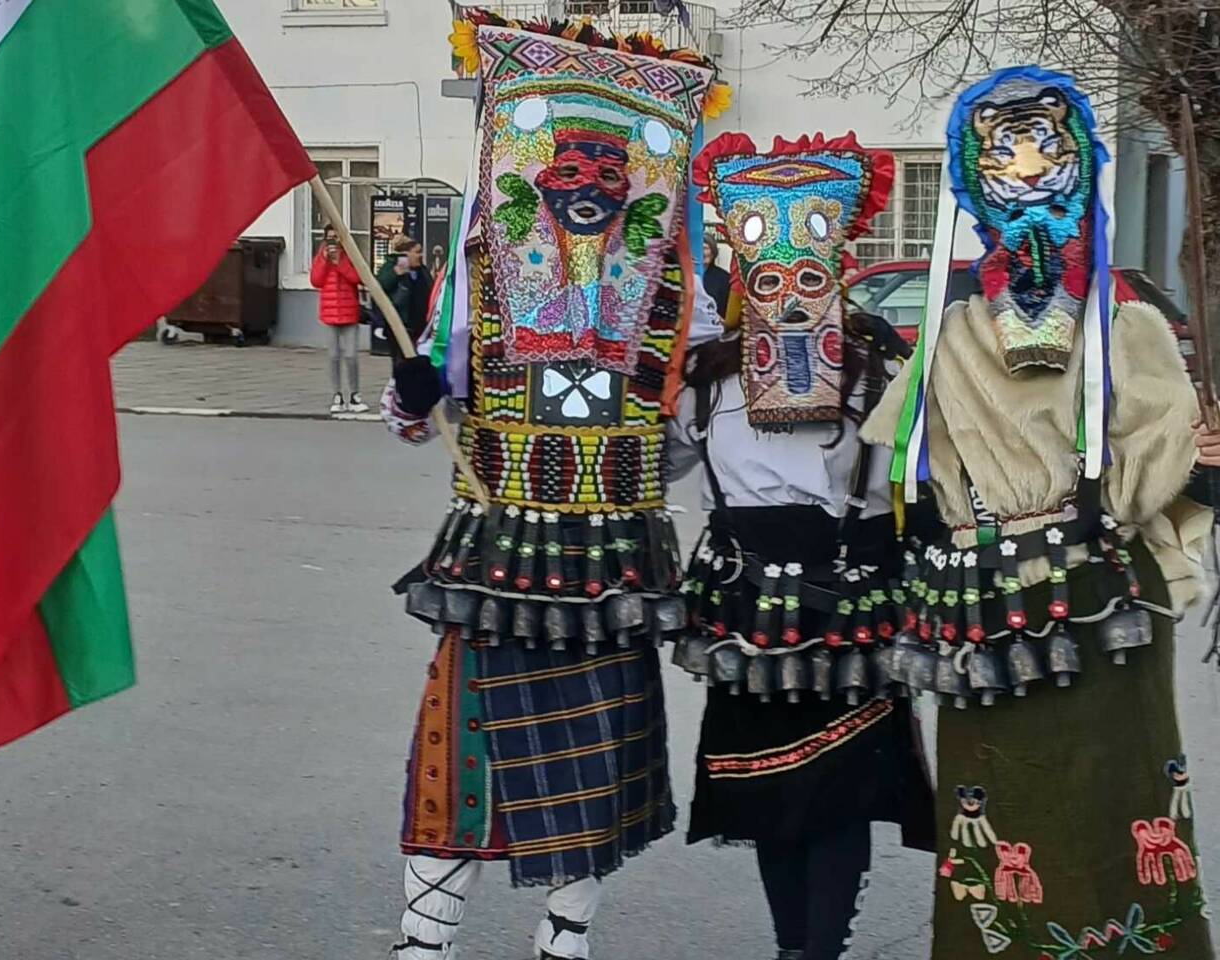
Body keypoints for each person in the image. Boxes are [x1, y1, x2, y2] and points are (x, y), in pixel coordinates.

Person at [378, 9, 726, 959]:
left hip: (614, 562)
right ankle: (424, 944)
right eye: (567, 169)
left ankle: (565, 938)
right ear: (534, 176)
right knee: (464, 762)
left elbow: (686, 442)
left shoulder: (678, 297)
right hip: (496, 558)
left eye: (613, 173)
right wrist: (413, 392)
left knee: (595, 774)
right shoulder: (481, 273)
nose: (590, 190)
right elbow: (416, 416)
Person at [862, 66, 1215, 960]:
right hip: (984, 609)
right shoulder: (948, 336)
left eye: (1045, 149)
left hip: (1101, 598)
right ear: (973, 183)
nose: (1025, 169)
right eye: (1002, 154)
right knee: (997, 802)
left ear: (1078, 167)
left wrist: (1203, 465)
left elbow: (1172, 470)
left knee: (1118, 796)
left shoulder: (1125, 324)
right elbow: (903, 478)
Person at [669, 130, 935, 960]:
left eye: (808, 274)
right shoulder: (708, 378)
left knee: (839, 791)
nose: (787, 292)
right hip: (747, 601)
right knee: (769, 792)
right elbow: (655, 461)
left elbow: (918, 475)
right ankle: (794, 947)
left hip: (848, 597)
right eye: (768, 272)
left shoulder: (875, 368)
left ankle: (819, 950)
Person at [310, 225, 368, 413]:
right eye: (330, 237)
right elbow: (316, 281)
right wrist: (325, 260)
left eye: (336, 237)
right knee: (333, 356)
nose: (333, 241)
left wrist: (340, 262)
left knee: (351, 355)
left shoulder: (350, 255)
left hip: (349, 312)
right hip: (330, 313)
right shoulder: (321, 256)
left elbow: (357, 277)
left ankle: (355, 394)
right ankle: (337, 394)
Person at [375, 235, 434, 366]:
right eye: (417, 252)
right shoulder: (391, 267)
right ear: (406, 254)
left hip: (420, 327)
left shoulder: (422, 270)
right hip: (400, 325)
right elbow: (380, 286)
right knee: (400, 363)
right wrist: (395, 274)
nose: (420, 256)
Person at [701, 234, 731, 319]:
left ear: (713, 252)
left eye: (705, 248)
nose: (702, 252)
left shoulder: (724, 278)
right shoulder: (688, 275)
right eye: (699, 248)